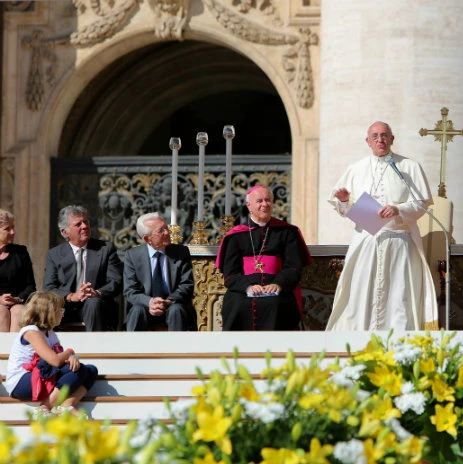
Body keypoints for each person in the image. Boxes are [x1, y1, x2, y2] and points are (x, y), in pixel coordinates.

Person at [326, 121, 439, 331]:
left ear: (392, 139)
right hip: (366, 242)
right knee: (360, 297)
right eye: (375, 136)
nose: (380, 140)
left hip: (399, 242)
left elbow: (421, 204)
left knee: (398, 298)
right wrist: (343, 200)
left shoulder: (408, 167)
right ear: (368, 141)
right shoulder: (356, 169)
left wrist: (398, 209)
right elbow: (345, 210)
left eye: (385, 135)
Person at [217, 186, 312, 331]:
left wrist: (279, 284)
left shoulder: (287, 232)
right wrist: (248, 287)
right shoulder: (235, 236)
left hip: (277, 288)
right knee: (237, 304)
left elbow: (293, 266)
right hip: (243, 290)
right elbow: (230, 273)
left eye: (268, 200)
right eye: (259, 201)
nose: (265, 204)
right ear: (249, 205)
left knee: (276, 304)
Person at [3, 291, 99, 414]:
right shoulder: (31, 332)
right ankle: (44, 408)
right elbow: (55, 360)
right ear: (48, 313)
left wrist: (72, 358)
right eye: (60, 311)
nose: (63, 314)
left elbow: (61, 358)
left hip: (43, 374)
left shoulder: (51, 334)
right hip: (22, 381)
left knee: (90, 370)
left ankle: (67, 405)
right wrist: (70, 352)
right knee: (77, 369)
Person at [43, 206, 122, 332]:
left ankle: (94, 349)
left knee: (93, 303)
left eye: (86, 222)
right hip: (66, 307)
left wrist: (97, 293)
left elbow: (116, 281)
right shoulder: (54, 255)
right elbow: (49, 288)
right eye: (78, 224)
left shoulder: (105, 249)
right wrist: (71, 296)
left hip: (97, 306)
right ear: (65, 232)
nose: (84, 226)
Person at [123, 212, 196, 331]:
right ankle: (133, 349)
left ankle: (177, 349)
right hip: (146, 307)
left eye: (166, 228)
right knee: (137, 310)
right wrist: (150, 302)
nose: (167, 233)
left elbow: (187, 285)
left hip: (173, 304)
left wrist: (167, 301)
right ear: (147, 238)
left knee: (176, 310)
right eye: (161, 231)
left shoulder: (181, 252)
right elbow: (130, 291)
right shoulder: (132, 256)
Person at [0, 209, 36, 332]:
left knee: (19, 312)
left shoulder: (21, 252)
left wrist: (18, 299)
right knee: (1, 312)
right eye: (7, 229)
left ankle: (15, 351)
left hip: (18, 302)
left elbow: (30, 286)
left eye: (13, 227)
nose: (13, 232)